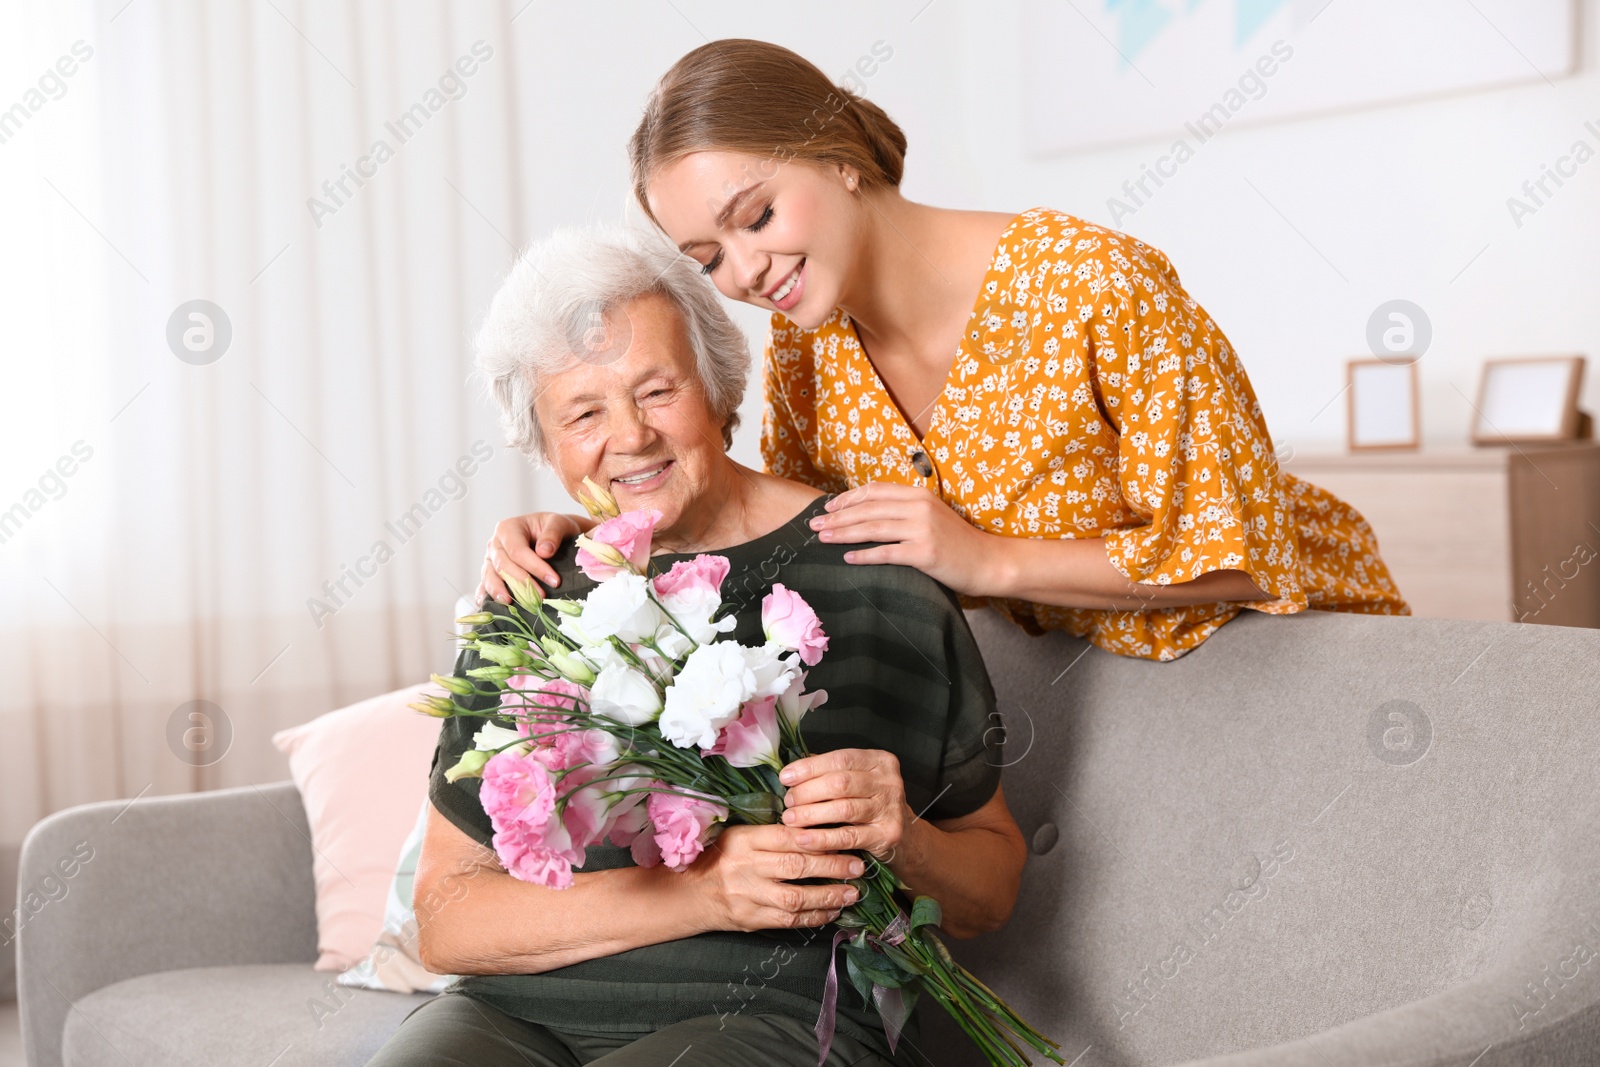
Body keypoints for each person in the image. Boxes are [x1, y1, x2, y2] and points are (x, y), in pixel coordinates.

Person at [477, 39, 1408, 663]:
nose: (750, 270)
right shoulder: (810, 351)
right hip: (1088, 684)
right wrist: (598, 536)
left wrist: (985, 559)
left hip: (1289, 654)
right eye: (710, 257)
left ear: (839, 155)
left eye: (757, 215)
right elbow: (801, 547)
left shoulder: (1092, 285)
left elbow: (1250, 553)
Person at [365, 226, 1025, 1067]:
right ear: (547, 444)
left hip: (773, 1021)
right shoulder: (534, 597)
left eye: (656, 389)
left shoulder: (879, 576)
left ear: (716, 386)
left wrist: (905, 838)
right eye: (584, 412)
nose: (632, 436)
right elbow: (448, 917)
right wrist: (704, 892)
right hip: (509, 1020)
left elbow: (992, 885)